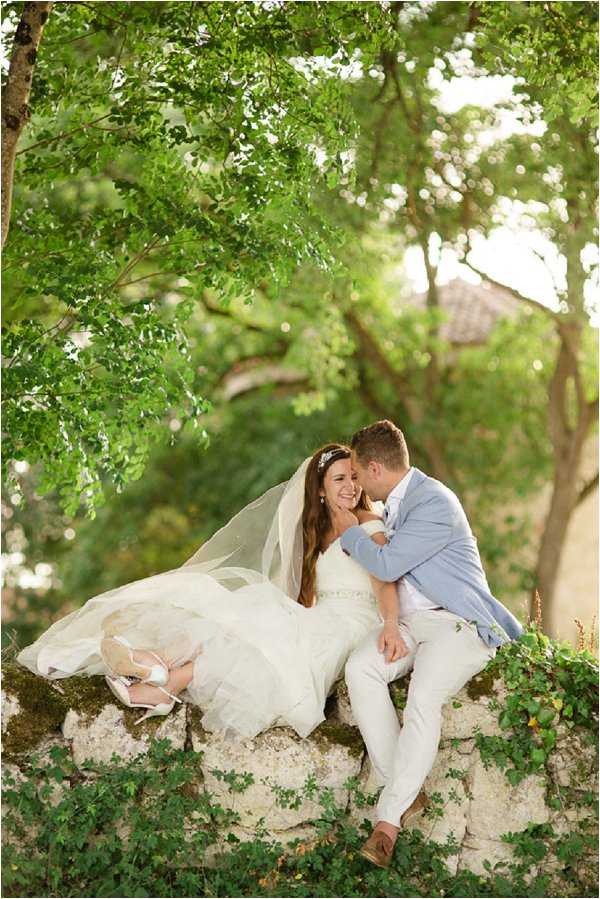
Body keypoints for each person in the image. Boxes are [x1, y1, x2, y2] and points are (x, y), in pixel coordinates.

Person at [16, 444, 405, 741]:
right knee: (250, 619)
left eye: (354, 477)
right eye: (340, 479)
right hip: (323, 617)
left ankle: (158, 672)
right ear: (320, 490)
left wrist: (390, 626)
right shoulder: (318, 534)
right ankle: (162, 674)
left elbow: (386, 579)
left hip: (354, 625)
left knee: (264, 623)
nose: (351, 486)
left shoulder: (370, 523)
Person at [328, 420, 524, 869]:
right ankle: (408, 791)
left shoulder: (434, 500)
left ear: (375, 467)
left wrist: (348, 530)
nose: (355, 482)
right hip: (414, 623)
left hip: (460, 622)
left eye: (357, 472)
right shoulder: (396, 503)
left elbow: (386, 562)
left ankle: (388, 822)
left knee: (423, 699)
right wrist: (393, 623)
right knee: (361, 668)